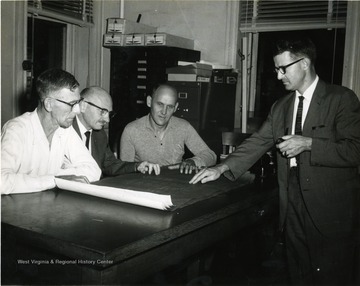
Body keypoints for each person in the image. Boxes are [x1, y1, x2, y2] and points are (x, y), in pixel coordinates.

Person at [190, 37, 360, 285]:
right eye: (276, 70)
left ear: (305, 63)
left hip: (331, 210)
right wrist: (222, 166)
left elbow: (355, 150)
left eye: (284, 68)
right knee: (299, 273)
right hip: (291, 204)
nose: (279, 76)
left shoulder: (341, 99)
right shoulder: (280, 107)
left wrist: (309, 143)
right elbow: (258, 141)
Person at [1, 68, 101, 195]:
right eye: (71, 104)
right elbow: (2, 182)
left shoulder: (65, 129)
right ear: (48, 104)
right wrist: (55, 180)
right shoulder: (16, 129)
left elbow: (94, 170)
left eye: (78, 103)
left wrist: (58, 175)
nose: (77, 111)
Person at [120, 84, 217, 174]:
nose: (164, 112)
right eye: (160, 104)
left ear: (176, 108)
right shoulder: (131, 130)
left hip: (175, 185)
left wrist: (193, 162)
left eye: (170, 107)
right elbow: (124, 171)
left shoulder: (183, 127)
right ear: (149, 102)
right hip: (143, 186)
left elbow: (211, 156)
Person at [74, 86, 160, 176]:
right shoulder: (65, 130)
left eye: (109, 114)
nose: (107, 120)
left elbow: (110, 164)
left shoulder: (99, 135)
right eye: (102, 111)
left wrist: (137, 166)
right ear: (83, 106)